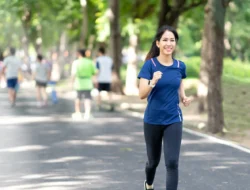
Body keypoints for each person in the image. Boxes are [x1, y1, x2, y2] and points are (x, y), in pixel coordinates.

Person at [137, 25, 192, 190]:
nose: (169, 43)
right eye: (165, 40)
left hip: (173, 118)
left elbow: (179, 81)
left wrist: (183, 96)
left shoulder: (180, 66)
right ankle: (149, 183)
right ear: (158, 43)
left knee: (172, 162)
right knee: (153, 162)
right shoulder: (149, 65)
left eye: (172, 40)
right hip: (153, 119)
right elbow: (141, 94)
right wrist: (152, 82)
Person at [71, 49, 96, 120]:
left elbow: (73, 74)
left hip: (78, 82)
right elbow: (94, 72)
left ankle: (78, 113)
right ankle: (87, 113)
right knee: (87, 98)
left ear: (79, 54)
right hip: (88, 82)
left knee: (78, 98)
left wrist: (71, 83)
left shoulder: (76, 62)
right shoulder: (90, 62)